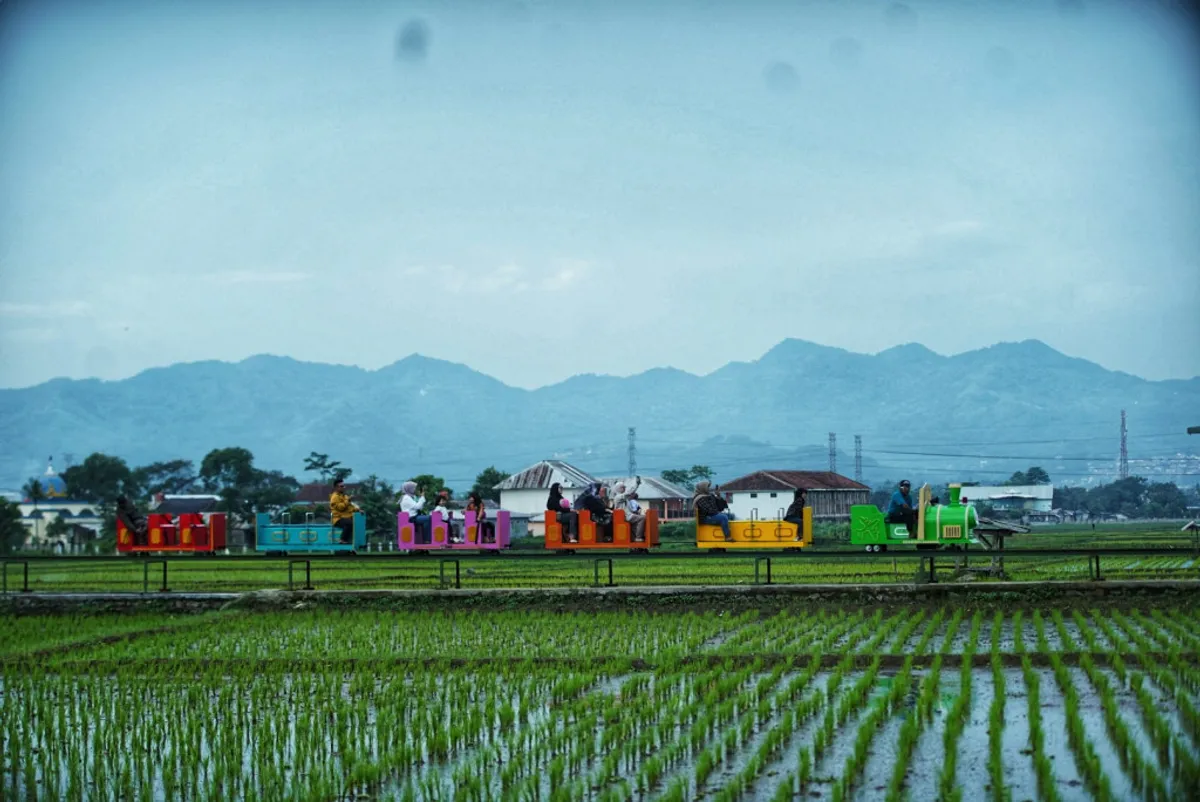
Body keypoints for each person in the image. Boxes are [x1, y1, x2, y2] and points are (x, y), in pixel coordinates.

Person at [330, 479, 361, 545]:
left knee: (356, 522)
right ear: (336, 487)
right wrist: (348, 500)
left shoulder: (345, 496)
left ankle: (355, 541)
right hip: (338, 519)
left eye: (344, 486)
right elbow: (340, 507)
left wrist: (358, 510)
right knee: (349, 523)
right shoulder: (334, 497)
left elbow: (350, 507)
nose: (344, 487)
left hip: (345, 517)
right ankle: (342, 539)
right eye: (341, 486)